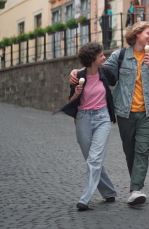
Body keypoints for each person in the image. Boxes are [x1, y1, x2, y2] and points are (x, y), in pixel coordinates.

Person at [69, 21, 149, 206]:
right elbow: (98, 69)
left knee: (142, 151)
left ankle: (135, 189)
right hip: (125, 112)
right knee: (130, 152)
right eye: (148, 33)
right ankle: (133, 187)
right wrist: (76, 71)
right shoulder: (120, 55)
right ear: (137, 34)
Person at [59, 42, 117, 211]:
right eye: (101, 56)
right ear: (92, 59)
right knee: (92, 159)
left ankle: (85, 199)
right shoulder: (77, 76)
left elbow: (120, 76)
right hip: (83, 119)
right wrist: (76, 93)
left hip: (102, 118)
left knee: (94, 158)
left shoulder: (105, 72)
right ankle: (109, 191)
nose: (104, 58)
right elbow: (71, 100)